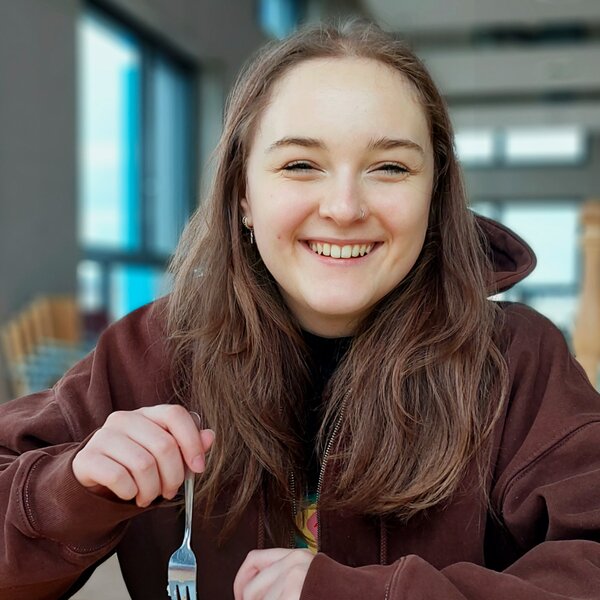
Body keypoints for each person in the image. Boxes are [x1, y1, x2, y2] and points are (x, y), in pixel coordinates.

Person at [1, 19, 599, 600]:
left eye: (390, 167)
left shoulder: (519, 359)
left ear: (434, 195)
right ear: (243, 197)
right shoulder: (148, 351)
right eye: (299, 165)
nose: (343, 207)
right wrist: (71, 488)